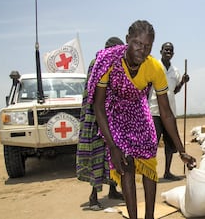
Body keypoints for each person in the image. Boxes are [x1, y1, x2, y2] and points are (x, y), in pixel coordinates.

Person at [87, 20, 197, 219]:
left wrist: (182, 150)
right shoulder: (109, 61)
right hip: (114, 112)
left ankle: (149, 216)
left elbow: (166, 113)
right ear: (128, 40)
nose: (142, 50)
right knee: (126, 165)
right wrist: (112, 145)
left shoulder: (154, 67)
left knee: (149, 163)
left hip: (139, 111)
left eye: (147, 46)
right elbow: (99, 105)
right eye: (137, 43)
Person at [76, 37, 124, 211]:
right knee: (96, 157)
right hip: (96, 120)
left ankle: (113, 189)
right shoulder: (96, 63)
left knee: (112, 156)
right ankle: (93, 197)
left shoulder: (115, 65)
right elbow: (94, 94)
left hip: (111, 118)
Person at [148, 42, 189, 181]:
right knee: (153, 142)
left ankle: (167, 172)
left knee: (170, 143)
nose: (168, 52)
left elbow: (175, 91)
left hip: (170, 111)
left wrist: (182, 82)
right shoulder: (154, 66)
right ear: (161, 51)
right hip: (154, 110)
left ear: (173, 53)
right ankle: (150, 172)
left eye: (170, 50)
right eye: (166, 50)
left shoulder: (175, 71)